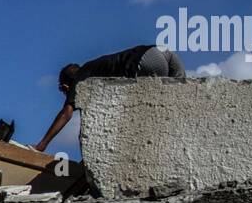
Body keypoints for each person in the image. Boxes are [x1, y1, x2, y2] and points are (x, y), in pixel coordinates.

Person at [34, 44, 186, 152]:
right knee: (180, 100)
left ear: (66, 86)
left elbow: (66, 113)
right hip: (163, 52)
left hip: (145, 60)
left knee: (139, 113)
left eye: (63, 91)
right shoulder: (93, 69)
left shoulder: (79, 78)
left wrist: (42, 145)